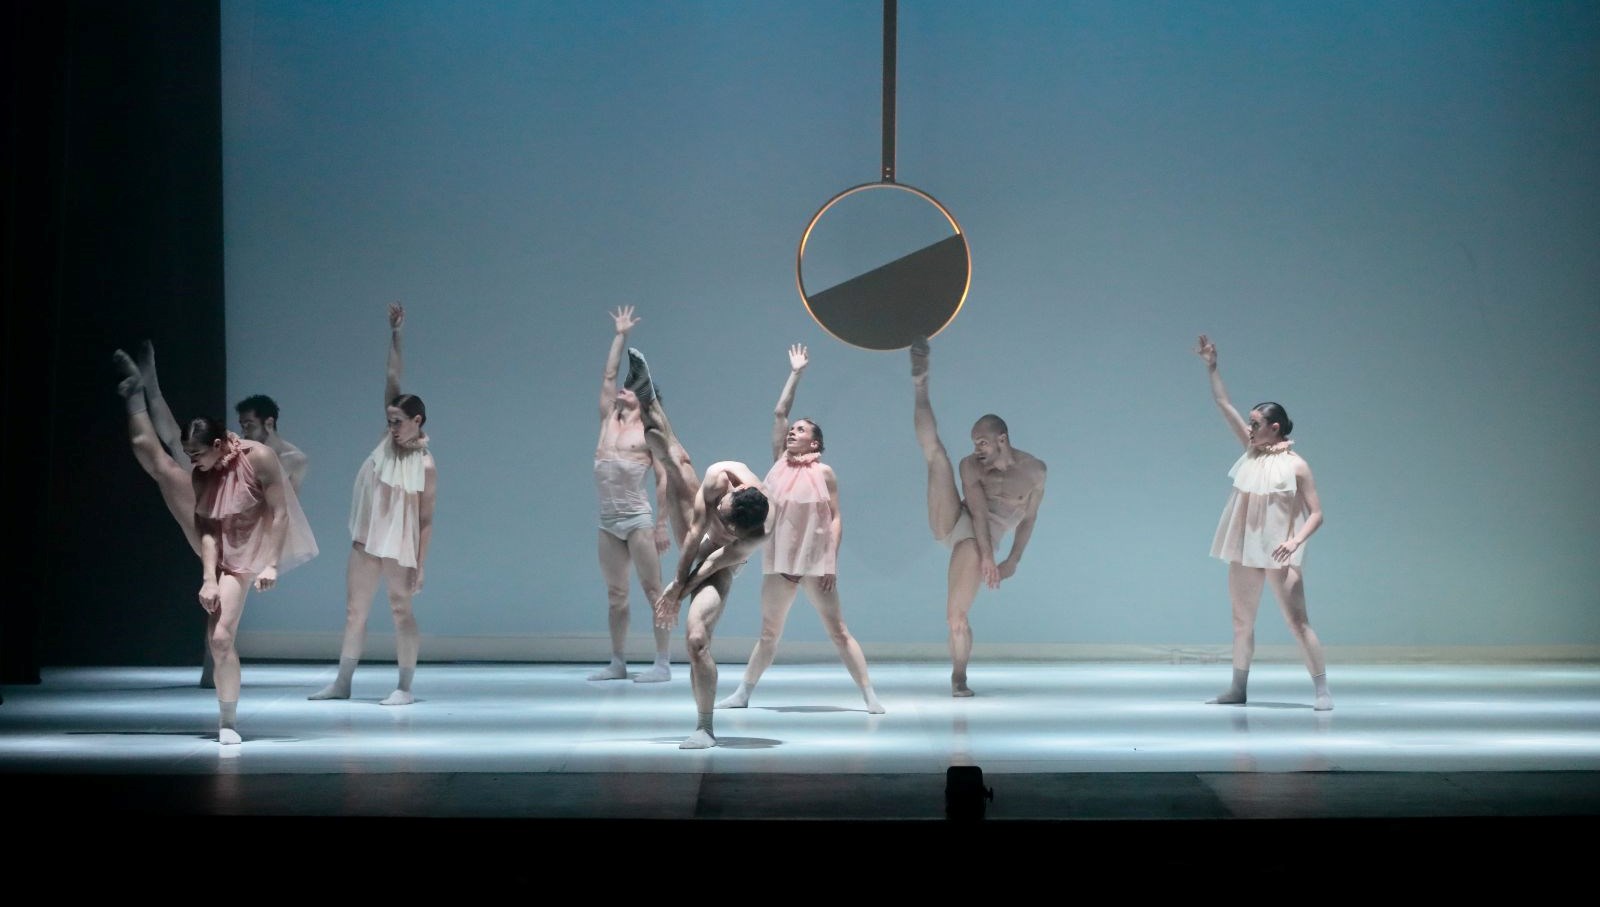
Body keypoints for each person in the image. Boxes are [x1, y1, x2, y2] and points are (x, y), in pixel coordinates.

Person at [716, 344, 884, 713]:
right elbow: (780, 412)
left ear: (815, 441)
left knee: (838, 630)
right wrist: (795, 373)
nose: (793, 431)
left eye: (801, 429)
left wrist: (831, 562)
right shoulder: (779, 462)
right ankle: (743, 693)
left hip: (815, 563)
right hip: (780, 562)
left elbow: (836, 517)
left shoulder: (825, 473)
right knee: (768, 633)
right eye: (792, 430)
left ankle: (869, 694)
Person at [627, 350, 770, 749]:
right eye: (720, 514)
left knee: (696, 639)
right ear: (732, 491)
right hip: (701, 542)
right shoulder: (720, 476)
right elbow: (694, 535)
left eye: (726, 525)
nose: (719, 523)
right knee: (674, 459)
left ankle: (704, 727)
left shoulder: (757, 535)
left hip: (720, 564)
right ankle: (647, 398)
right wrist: (675, 585)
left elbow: (711, 562)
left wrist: (679, 592)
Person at [309, 303, 437, 706]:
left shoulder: (426, 464)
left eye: (398, 421)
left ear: (417, 421)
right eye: (389, 420)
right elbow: (392, 376)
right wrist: (396, 333)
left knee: (401, 610)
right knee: (355, 611)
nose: (392, 426)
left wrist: (421, 564)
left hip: (399, 546)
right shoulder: (386, 442)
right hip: (367, 539)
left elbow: (426, 520)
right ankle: (342, 682)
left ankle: (405, 687)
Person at [1195, 334, 1331, 710]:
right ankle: (1238, 689)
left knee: (1297, 622)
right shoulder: (1252, 453)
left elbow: (1317, 513)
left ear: (1275, 427)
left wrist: (1295, 541)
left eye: (1256, 424)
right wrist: (1212, 367)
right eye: (1250, 424)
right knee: (1241, 622)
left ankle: (1322, 690)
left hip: (1280, 549)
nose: (1250, 429)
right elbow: (1223, 404)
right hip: (1246, 547)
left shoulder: (1297, 465)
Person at [910, 337, 1047, 697]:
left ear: (1002, 439)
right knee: (936, 455)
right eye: (974, 443)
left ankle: (959, 676)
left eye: (982, 443)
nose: (977, 449)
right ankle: (921, 383)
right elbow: (979, 512)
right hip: (957, 522)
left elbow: (1029, 519)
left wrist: (1012, 560)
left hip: (976, 542)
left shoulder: (1034, 471)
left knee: (955, 616)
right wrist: (989, 557)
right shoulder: (971, 466)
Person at [183, 415, 318, 744]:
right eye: (188, 455)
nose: (193, 461)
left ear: (217, 445)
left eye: (196, 454)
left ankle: (228, 722)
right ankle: (227, 720)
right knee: (218, 640)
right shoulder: (201, 474)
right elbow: (207, 530)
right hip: (227, 552)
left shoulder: (258, 456)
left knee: (220, 638)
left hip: (256, 542)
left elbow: (281, 512)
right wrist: (208, 578)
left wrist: (272, 564)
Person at [587, 306, 674, 683]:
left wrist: (661, 525)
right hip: (608, 521)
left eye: (631, 387)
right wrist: (620, 335)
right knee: (616, 595)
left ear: (642, 398)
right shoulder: (608, 420)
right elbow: (608, 375)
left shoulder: (648, 434)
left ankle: (662, 663)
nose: (622, 388)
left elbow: (664, 479)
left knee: (653, 590)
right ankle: (618, 661)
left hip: (638, 520)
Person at [235, 394, 309, 493]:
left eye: (249, 425)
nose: (243, 432)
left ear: (269, 424)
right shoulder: (242, 454)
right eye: (242, 426)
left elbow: (292, 499)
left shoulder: (296, 459)